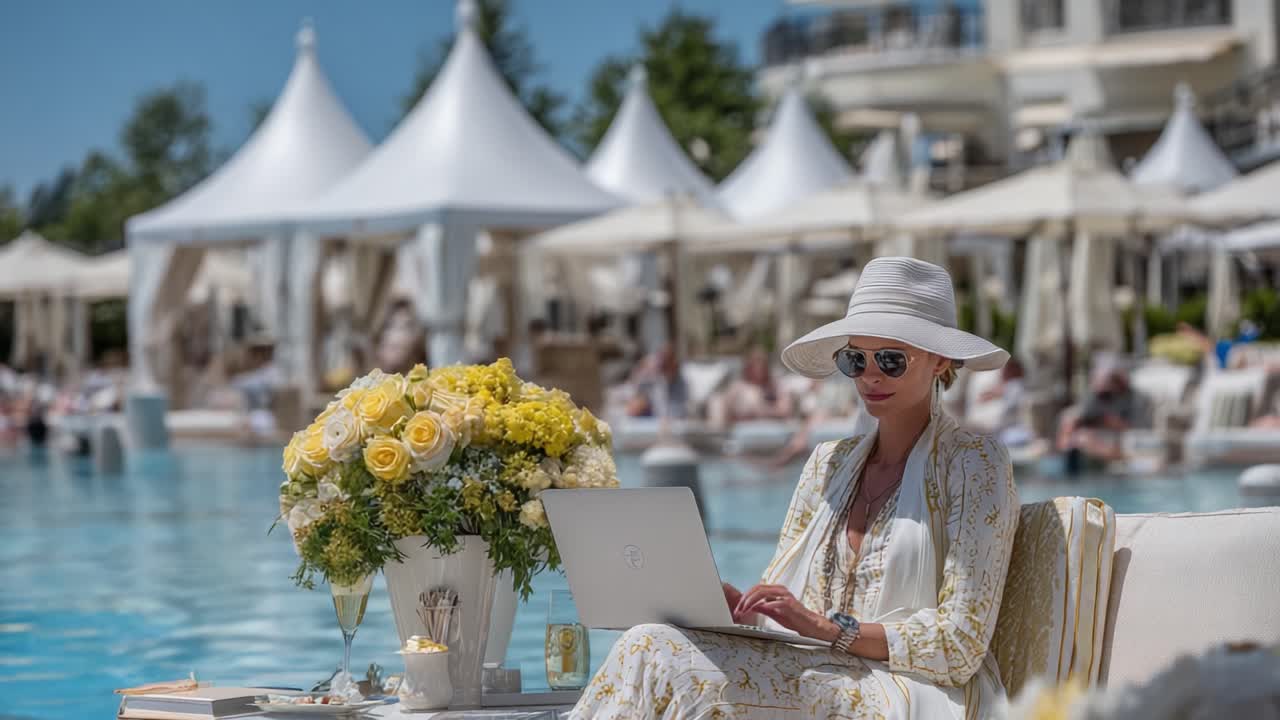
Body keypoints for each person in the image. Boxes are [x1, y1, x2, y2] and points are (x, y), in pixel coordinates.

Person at [570, 258, 1020, 719]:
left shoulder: (975, 463)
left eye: (891, 359)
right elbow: (789, 607)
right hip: (817, 668)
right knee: (649, 639)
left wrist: (831, 629)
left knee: (686, 675)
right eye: (855, 358)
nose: (869, 375)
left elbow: (961, 644)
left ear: (940, 359)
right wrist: (744, 613)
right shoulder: (829, 463)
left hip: (910, 689)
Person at [1055, 363, 1151, 471]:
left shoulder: (1135, 399)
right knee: (1079, 435)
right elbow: (1074, 418)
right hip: (1100, 442)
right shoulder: (1095, 396)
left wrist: (1109, 423)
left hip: (1128, 441)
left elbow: (1134, 429)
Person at [707, 347, 794, 429]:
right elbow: (726, 408)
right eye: (755, 364)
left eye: (761, 364)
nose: (758, 368)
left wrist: (762, 410)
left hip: (768, 424)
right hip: (741, 423)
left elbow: (784, 410)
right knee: (717, 400)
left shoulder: (776, 385)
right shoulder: (739, 386)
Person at [625, 346, 689, 420]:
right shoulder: (651, 380)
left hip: (675, 421)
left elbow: (681, 409)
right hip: (652, 421)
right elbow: (634, 403)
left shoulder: (683, 382)